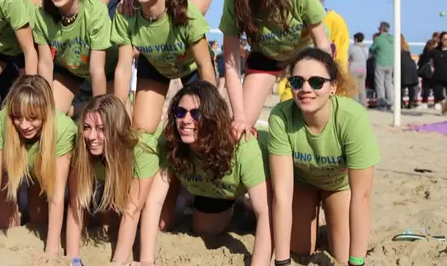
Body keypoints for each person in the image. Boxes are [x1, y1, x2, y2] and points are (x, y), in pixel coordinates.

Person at [138, 81, 272, 266]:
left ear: (211, 117)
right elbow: (154, 202)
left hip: (275, 176)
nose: (186, 120)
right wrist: (146, 260)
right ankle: (238, 205)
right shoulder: (172, 142)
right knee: (204, 230)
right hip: (218, 188)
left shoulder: (242, 145)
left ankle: (243, 202)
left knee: (298, 242)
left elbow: (265, 211)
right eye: (180, 112)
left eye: (196, 114)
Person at [269, 48, 379, 265]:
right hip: (302, 185)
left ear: (333, 87)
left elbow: (362, 195)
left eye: (317, 82)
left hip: (338, 186)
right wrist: (282, 262)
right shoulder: (281, 116)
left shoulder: (352, 118)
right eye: (297, 81)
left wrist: (357, 262)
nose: (306, 89)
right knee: (299, 249)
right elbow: (281, 194)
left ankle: (333, 220)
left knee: (344, 253)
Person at [219, 0, 331, 140]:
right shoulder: (234, 0)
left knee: (311, 121)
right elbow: (231, 65)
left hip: (304, 58)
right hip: (266, 58)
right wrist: (239, 116)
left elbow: (322, 43)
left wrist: (324, 82)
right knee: (238, 132)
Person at [0, 76, 75, 262]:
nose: (24, 125)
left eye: (33, 118)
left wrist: (52, 249)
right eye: (18, 117)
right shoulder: (3, 119)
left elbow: (56, 193)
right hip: (13, 173)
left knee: (39, 221)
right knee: (1, 224)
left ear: (46, 113)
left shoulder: (63, 128)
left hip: (44, 177)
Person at [111, 0, 216, 133]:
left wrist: (212, 109)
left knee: (200, 128)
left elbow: (204, 64)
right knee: (141, 131)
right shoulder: (124, 13)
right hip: (154, 65)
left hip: (191, 68)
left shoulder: (186, 12)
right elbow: (123, 68)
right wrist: (119, 111)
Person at [66, 94, 160, 265]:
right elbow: (76, 203)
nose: (92, 136)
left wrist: (117, 262)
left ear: (117, 129)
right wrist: (74, 260)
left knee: (158, 221)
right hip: (112, 172)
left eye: (101, 129)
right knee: (106, 221)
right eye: (87, 127)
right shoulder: (82, 143)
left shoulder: (141, 149)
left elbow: (132, 211)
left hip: (155, 167)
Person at [33, 0, 117, 114]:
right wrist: (45, 105)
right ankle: (75, 112)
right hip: (70, 68)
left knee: (112, 116)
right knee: (50, 114)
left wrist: (98, 115)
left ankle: (85, 112)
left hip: (107, 69)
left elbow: (97, 70)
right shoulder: (41, 13)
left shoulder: (95, 11)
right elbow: (45, 63)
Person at [279, 0, 349, 102]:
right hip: (294, 90)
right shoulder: (290, 20)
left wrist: (336, 94)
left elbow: (340, 62)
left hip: (321, 92)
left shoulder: (335, 21)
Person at [369, 22, 394, 108]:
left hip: (380, 63)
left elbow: (372, 49)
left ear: (381, 29)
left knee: (380, 84)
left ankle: (382, 103)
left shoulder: (379, 39)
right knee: (389, 84)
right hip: (391, 64)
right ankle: (391, 102)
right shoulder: (393, 39)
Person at [348, 32, 369, 107]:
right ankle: (363, 104)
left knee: (354, 88)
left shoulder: (352, 48)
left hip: (354, 69)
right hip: (363, 69)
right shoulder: (365, 48)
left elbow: (348, 57)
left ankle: (355, 104)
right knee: (362, 88)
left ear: (356, 39)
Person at [400, 34, 419, 108]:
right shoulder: (406, 47)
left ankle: (401, 102)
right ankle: (411, 102)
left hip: (403, 66)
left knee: (401, 86)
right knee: (411, 87)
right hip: (411, 66)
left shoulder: (396, 47)